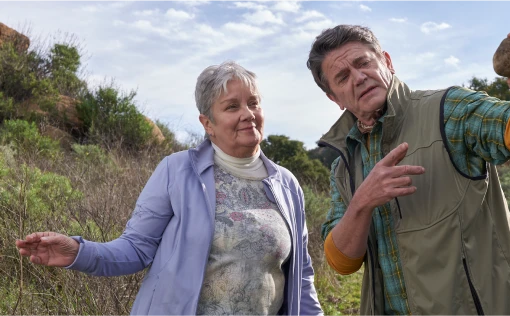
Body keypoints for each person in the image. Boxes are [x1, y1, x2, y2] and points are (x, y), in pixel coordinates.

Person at [307, 11, 510, 316]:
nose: (359, 77)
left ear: (387, 62)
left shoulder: (449, 110)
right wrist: (362, 203)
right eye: (343, 77)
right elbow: (342, 261)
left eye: (364, 62)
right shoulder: (343, 166)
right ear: (333, 98)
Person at [16, 61, 323, 316]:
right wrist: (78, 252)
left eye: (253, 102)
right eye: (232, 106)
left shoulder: (286, 184)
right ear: (208, 124)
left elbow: (301, 276)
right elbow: (135, 248)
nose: (247, 113)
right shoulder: (177, 171)